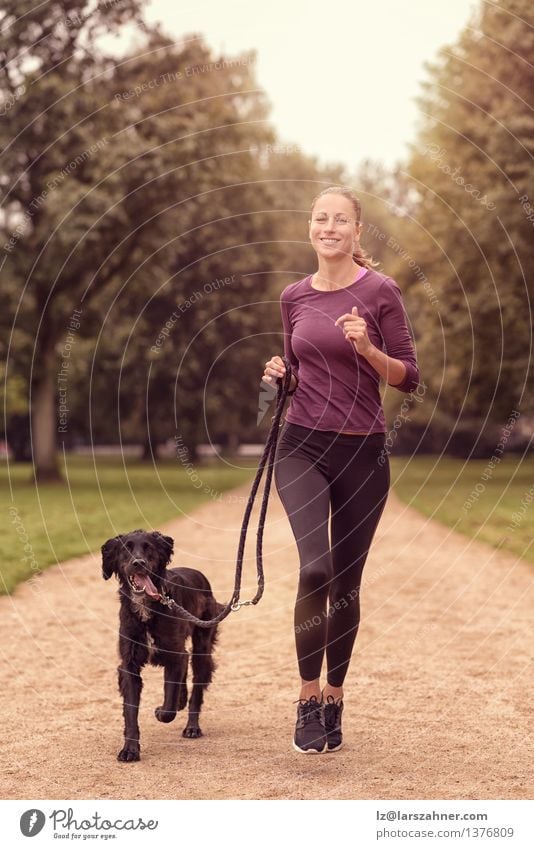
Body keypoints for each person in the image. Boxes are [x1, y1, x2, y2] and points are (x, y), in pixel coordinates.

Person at [262, 185, 420, 754]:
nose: (329, 227)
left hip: (362, 451)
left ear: (357, 232)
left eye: (341, 220)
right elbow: (295, 378)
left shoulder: (381, 291)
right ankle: (306, 699)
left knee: (347, 585)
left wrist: (369, 351)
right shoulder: (294, 297)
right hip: (301, 444)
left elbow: (409, 377)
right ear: (311, 227)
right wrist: (279, 377)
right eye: (320, 218)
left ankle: (334, 698)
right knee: (315, 570)